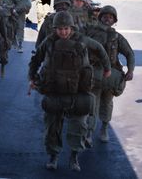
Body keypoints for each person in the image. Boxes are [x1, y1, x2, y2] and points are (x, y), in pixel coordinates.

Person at [29, 11, 111, 172]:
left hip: (78, 91)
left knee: (78, 127)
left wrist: (107, 68)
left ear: (71, 28)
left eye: (66, 28)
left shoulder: (82, 40)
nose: (63, 32)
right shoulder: (49, 42)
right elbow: (36, 59)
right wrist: (31, 77)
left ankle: (74, 156)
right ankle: (53, 155)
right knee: (52, 127)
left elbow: (100, 49)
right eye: (59, 29)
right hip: (54, 91)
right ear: (55, 29)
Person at [85, 5, 135, 144]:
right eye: (105, 16)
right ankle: (89, 132)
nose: (108, 19)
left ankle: (104, 128)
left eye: (111, 17)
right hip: (94, 73)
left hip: (111, 76)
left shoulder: (117, 37)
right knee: (92, 104)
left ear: (114, 20)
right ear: (100, 18)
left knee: (107, 103)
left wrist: (130, 70)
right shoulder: (91, 33)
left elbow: (129, 53)